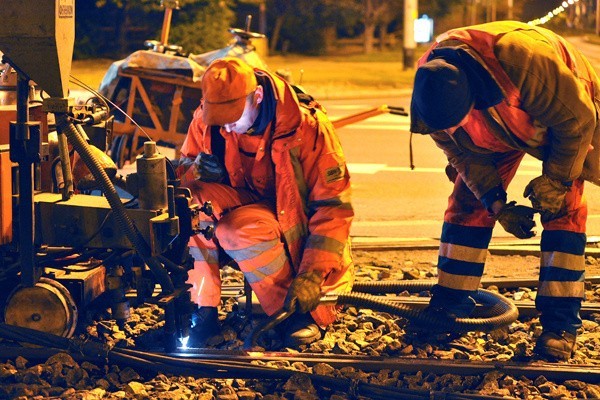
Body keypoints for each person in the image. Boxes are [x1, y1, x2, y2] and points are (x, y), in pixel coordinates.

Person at [410, 21, 600, 361]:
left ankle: (560, 325)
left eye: (457, 120)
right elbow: (462, 154)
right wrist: (494, 202)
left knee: (563, 206)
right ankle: (449, 306)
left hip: (566, 112)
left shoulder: (523, 60)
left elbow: (577, 122)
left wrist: (556, 180)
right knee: (467, 202)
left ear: (473, 97)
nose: (451, 129)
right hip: (495, 121)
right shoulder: (432, 88)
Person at [176, 57, 354, 348]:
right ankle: (202, 310)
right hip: (247, 205)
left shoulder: (306, 126)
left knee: (238, 229)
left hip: (290, 222)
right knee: (191, 203)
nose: (229, 129)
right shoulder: (209, 121)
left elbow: (333, 208)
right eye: (221, 120)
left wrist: (311, 276)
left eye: (234, 118)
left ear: (257, 96)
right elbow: (183, 173)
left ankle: (293, 314)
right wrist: (196, 169)